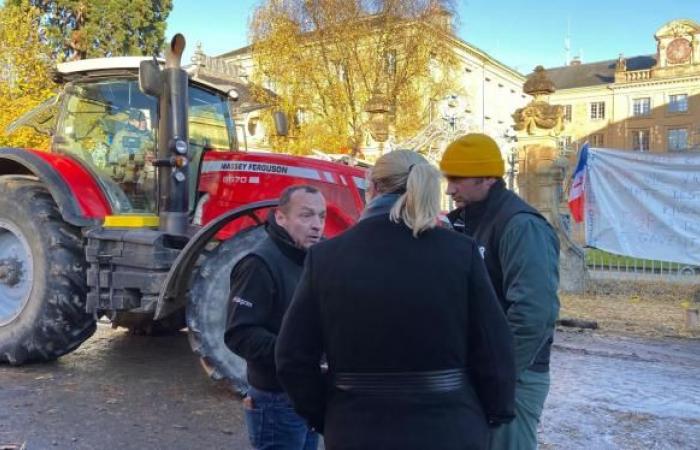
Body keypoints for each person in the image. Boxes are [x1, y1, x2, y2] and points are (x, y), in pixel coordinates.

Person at [275, 150, 516, 450]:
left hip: (357, 428)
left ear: (372, 188)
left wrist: (327, 416)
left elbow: (292, 357)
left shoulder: (326, 258)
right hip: (449, 428)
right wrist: (493, 413)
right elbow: (495, 350)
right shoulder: (461, 253)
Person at [439, 133, 560, 450]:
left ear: (488, 177)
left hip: (513, 379)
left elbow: (535, 313)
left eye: (457, 179)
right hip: (478, 373)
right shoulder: (465, 221)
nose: (450, 189)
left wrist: (498, 373)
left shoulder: (520, 225)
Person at [225, 185, 326, 450]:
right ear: (280, 217)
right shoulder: (259, 264)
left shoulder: (310, 259)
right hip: (275, 400)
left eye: (322, 216)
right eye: (306, 216)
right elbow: (239, 334)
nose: (317, 225)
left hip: (306, 393)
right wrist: (296, 354)